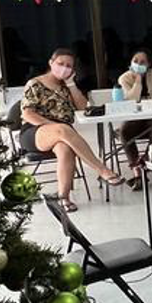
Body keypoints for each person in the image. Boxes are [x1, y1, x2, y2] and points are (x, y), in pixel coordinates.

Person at [19, 47, 125, 210]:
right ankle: (102, 170)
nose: (64, 68)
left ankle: (64, 198)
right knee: (63, 130)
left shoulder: (66, 87)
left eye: (69, 66)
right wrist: (55, 127)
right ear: (51, 63)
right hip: (36, 130)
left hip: (64, 135)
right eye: (61, 63)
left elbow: (83, 108)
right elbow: (27, 114)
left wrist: (71, 84)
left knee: (65, 149)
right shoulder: (35, 84)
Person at [117, 49, 152, 190]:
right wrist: (138, 81)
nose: (138, 64)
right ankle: (137, 170)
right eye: (135, 61)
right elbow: (132, 100)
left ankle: (143, 165)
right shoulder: (124, 78)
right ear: (130, 62)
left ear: (148, 64)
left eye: (142, 62)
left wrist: (146, 99)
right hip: (135, 119)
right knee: (124, 132)